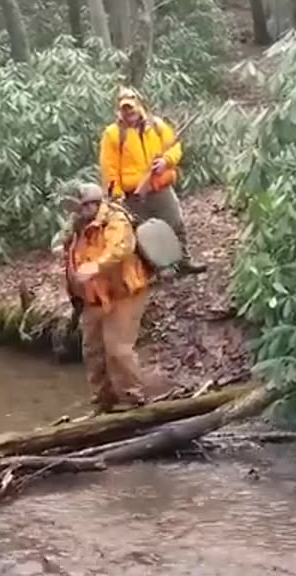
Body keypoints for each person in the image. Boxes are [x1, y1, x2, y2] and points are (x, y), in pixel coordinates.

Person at [98, 86, 208, 275]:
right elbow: (109, 168)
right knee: (140, 234)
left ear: (139, 105)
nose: (129, 111)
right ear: (118, 110)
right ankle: (153, 271)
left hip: (160, 186)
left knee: (176, 223)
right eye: (125, 108)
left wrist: (166, 161)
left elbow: (175, 147)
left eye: (132, 106)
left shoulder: (157, 126)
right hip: (133, 194)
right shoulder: (113, 134)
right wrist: (116, 196)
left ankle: (183, 262)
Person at [63, 183, 152, 414]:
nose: (77, 213)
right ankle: (104, 401)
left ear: (93, 204)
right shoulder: (77, 227)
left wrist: (96, 266)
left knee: (118, 349)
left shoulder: (115, 220)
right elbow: (68, 247)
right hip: (93, 298)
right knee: (92, 350)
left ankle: (134, 399)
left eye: (81, 208)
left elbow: (121, 248)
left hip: (123, 293)